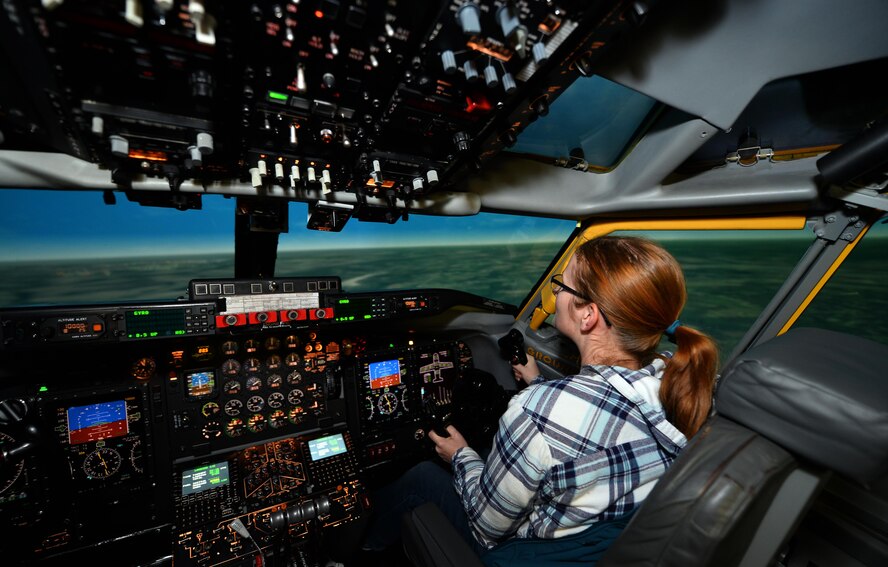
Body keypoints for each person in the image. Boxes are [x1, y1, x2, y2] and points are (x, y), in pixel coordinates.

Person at [361, 235, 719, 564]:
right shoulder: (679, 383)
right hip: (600, 548)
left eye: (561, 286)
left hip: (524, 553)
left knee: (422, 475)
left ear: (588, 314)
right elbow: (602, 409)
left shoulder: (538, 412)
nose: (556, 295)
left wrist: (459, 455)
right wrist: (535, 382)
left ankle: (363, 550)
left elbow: (487, 527)